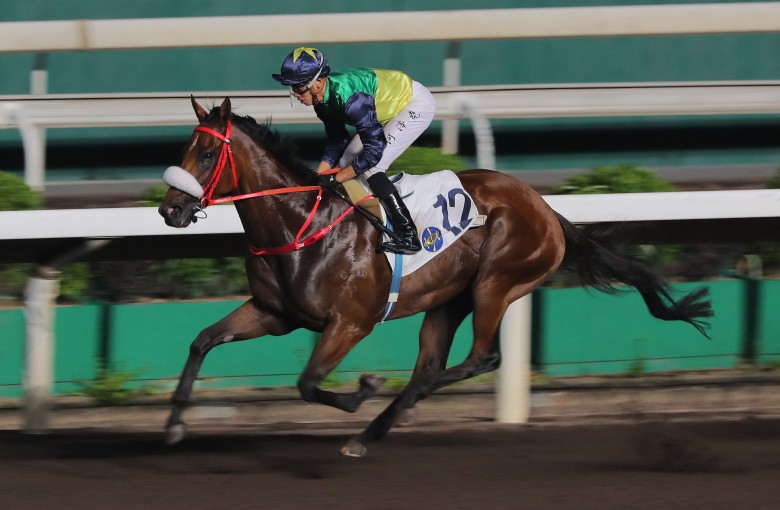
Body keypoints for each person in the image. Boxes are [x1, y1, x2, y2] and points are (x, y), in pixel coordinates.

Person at [272, 47, 436, 254]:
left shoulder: (352, 99)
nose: (295, 94)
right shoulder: (321, 101)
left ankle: (408, 235)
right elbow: (337, 141)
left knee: (371, 167)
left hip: (413, 105)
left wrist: (337, 179)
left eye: (299, 88)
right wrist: (315, 178)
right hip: (383, 110)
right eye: (292, 88)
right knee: (345, 161)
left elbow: (373, 151)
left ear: (318, 83)